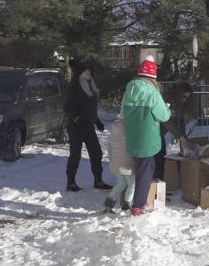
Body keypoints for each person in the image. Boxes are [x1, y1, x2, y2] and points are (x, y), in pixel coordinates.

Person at [120, 55, 170, 216]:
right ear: (153, 77)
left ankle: (137, 199)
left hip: (132, 137)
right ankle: (138, 205)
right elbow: (164, 116)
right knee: (145, 172)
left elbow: (122, 113)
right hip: (147, 139)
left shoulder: (129, 89)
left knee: (139, 169)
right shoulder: (152, 92)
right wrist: (167, 108)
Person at [63, 60, 110, 192]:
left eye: (89, 71)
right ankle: (70, 182)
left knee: (96, 153)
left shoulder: (90, 85)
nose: (88, 73)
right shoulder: (74, 87)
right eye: (85, 71)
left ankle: (98, 181)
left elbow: (90, 108)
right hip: (76, 127)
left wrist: (97, 120)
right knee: (75, 155)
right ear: (79, 73)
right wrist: (77, 119)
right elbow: (67, 108)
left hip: (88, 126)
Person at [153, 82, 194, 181]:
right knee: (157, 162)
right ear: (179, 94)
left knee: (160, 161)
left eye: (187, 98)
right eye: (184, 96)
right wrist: (180, 137)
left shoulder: (180, 105)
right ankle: (154, 188)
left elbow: (181, 125)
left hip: (160, 135)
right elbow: (166, 122)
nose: (185, 99)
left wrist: (184, 145)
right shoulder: (167, 101)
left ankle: (159, 188)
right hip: (153, 134)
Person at [104, 114, 135, 212]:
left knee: (121, 183)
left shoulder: (114, 130)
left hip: (115, 163)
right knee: (132, 183)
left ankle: (109, 202)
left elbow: (108, 146)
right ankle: (127, 204)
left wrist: (111, 159)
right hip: (126, 162)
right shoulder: (129, 129)